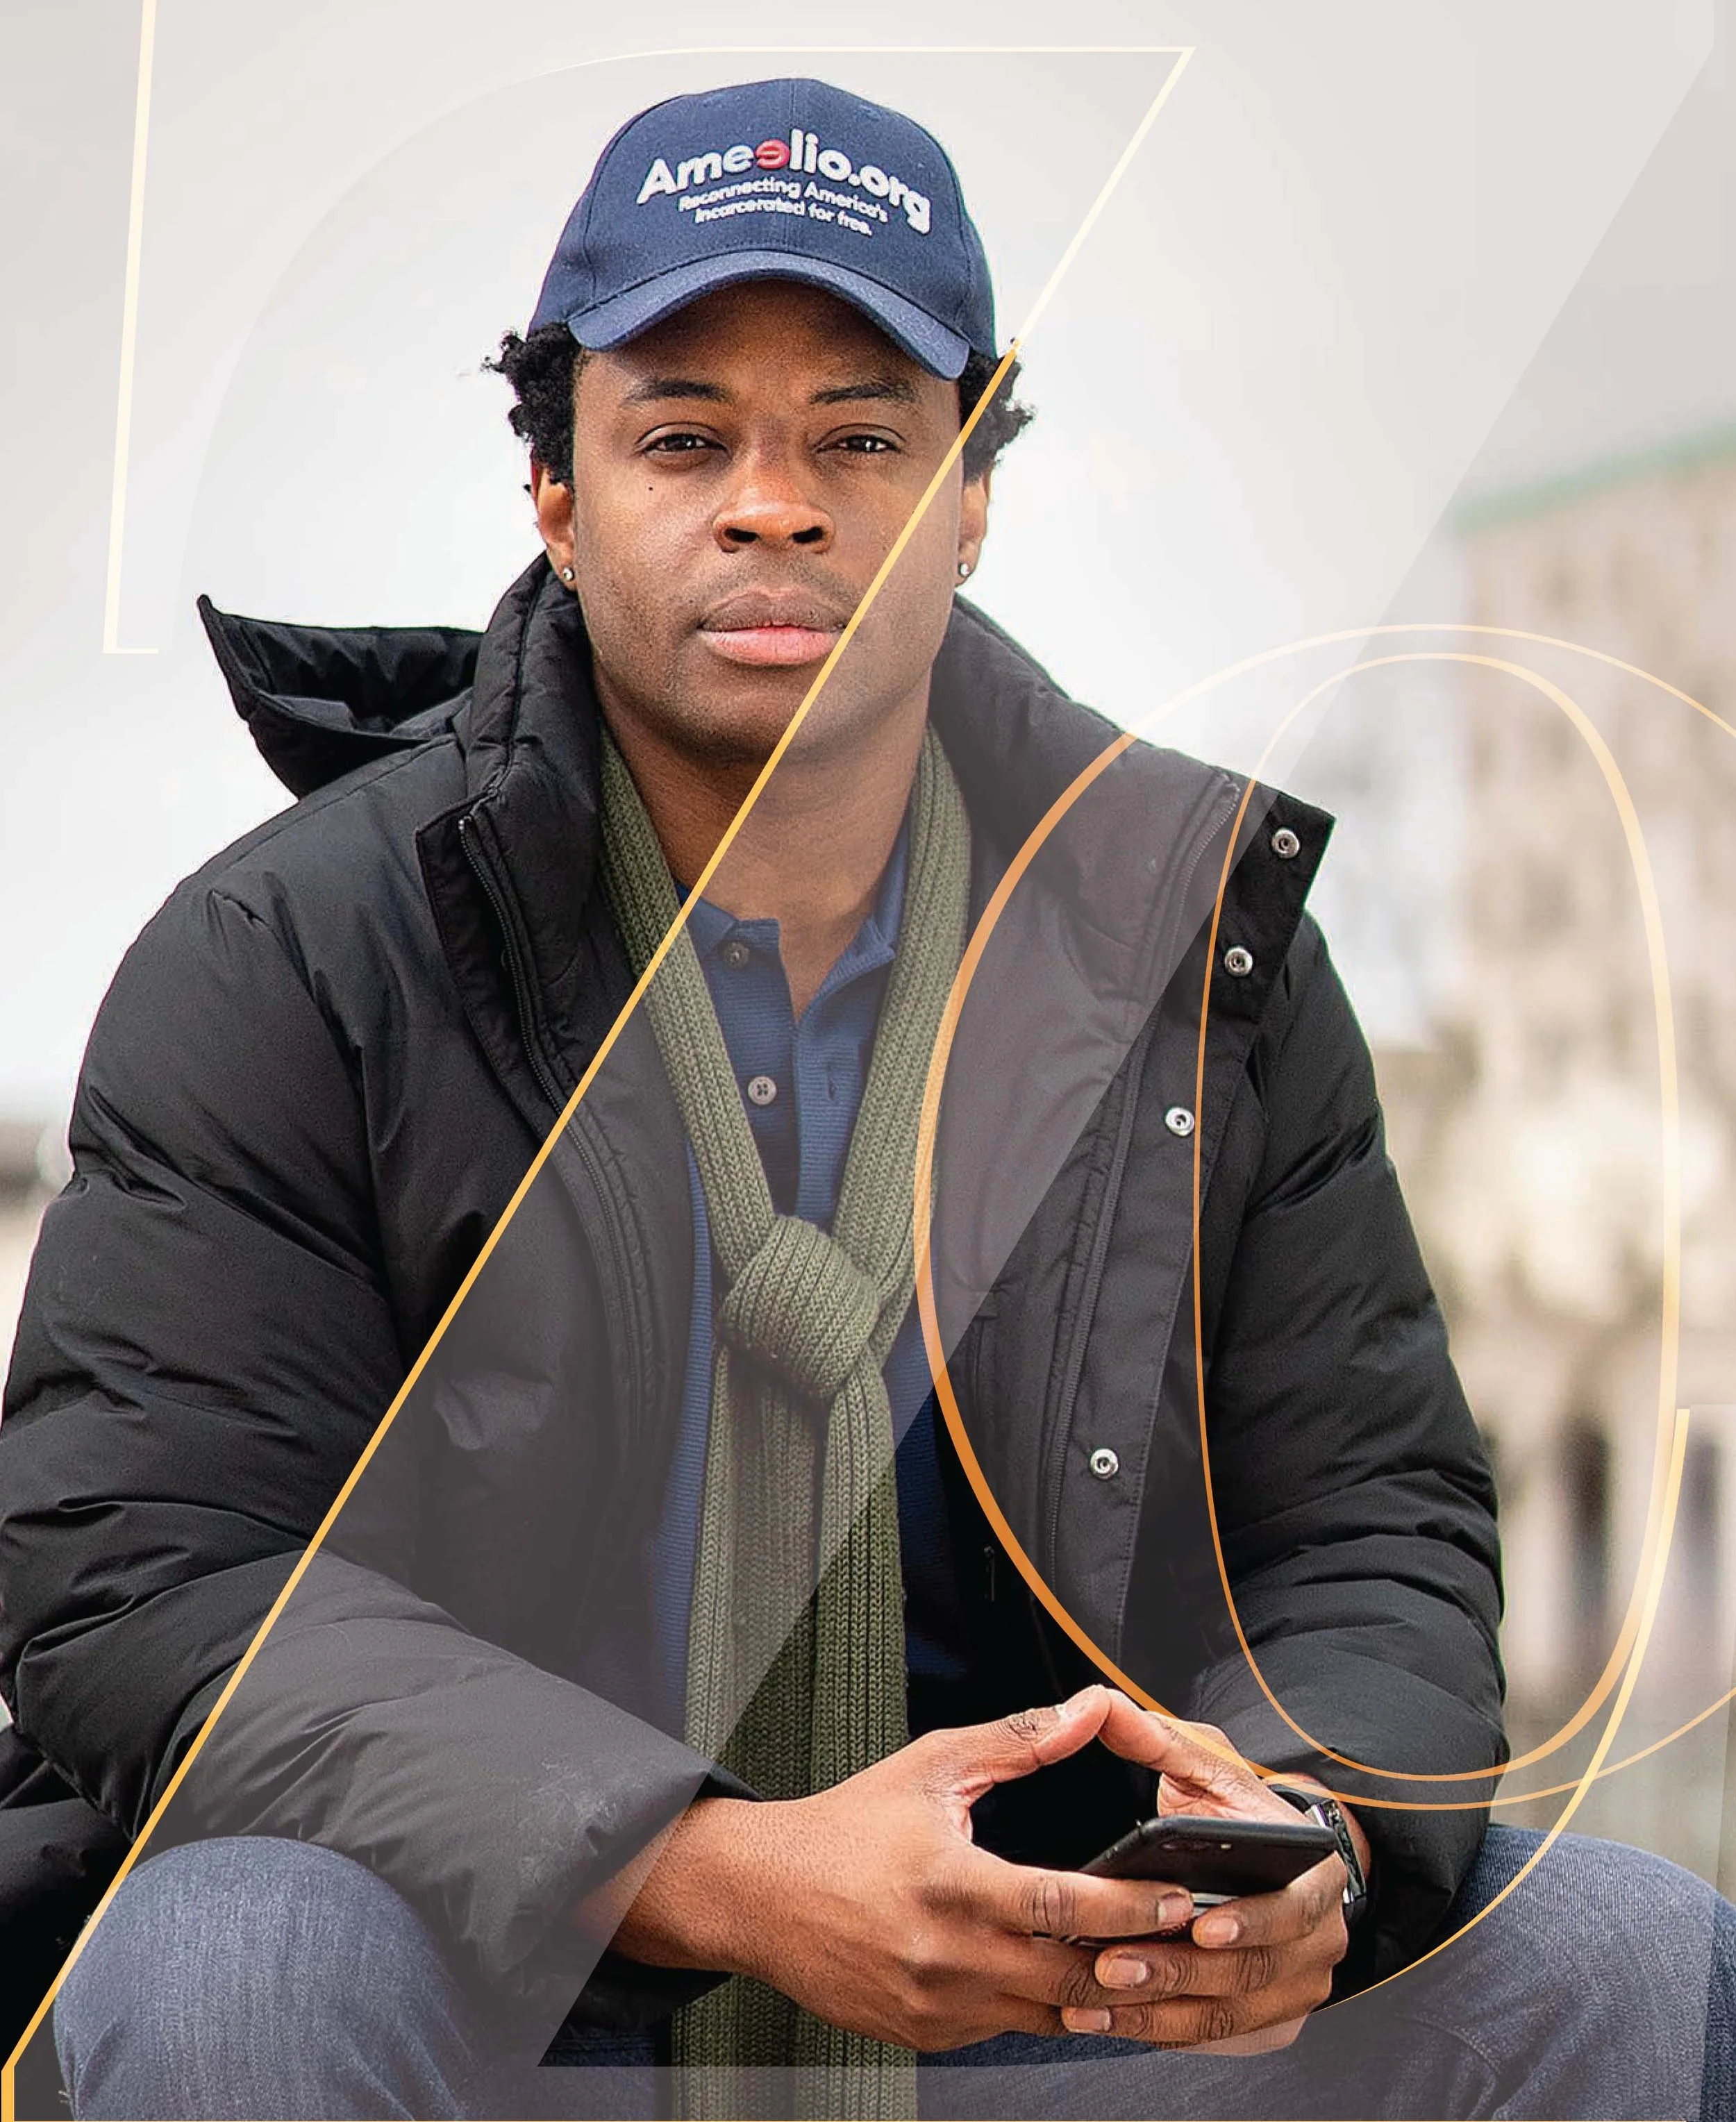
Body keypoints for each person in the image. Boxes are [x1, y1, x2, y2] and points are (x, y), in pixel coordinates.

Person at [0, 74, 1730, 2122]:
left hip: (1049, 1993)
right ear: (555, 490)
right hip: (492, 2012)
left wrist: (1299, 1829)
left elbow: (1368, 1523)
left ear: (968, 492)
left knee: (1625, 1963)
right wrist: (705, 1866)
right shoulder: (294, 956)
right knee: (233, 1963)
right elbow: (148, 1578)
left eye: (859, 441)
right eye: (682, 438)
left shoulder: (1197, 956)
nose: (774, 504)